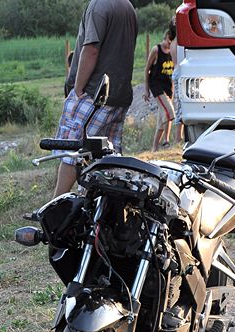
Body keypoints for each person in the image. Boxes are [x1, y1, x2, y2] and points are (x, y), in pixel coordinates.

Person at [53, 0, 138, 197]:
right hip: (119, 94)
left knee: (73, 153)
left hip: (94, 93)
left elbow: (91, 49)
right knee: (108, 156)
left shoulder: (99, 5)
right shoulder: (128, 6)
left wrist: (78, 89)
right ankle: (96, 207)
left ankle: (56, 207)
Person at [143, 26, 175, 151]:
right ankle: (166, 141)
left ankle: (154, 148)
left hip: (167, 86)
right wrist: (146, 90)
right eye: (168, 41)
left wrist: (172, 89)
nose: (169, 44)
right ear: (165, 38)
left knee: (162, 118)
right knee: (170, 112)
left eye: (172, 42)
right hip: (156, 85)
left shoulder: (172, 52)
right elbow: (147, 70)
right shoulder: (156, 50)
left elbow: (172, 71)